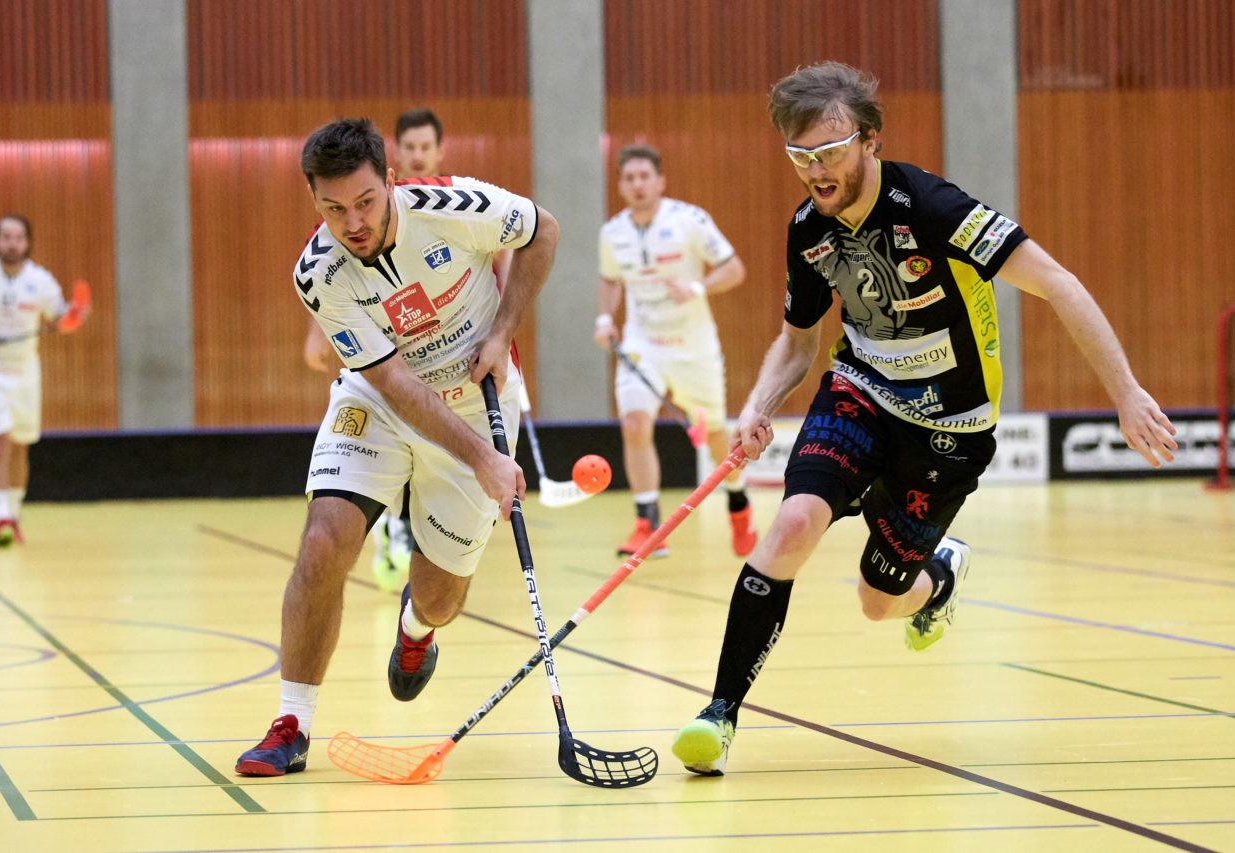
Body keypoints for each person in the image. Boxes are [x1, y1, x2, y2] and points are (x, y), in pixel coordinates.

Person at [670, 61, 1179, 776]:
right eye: (799, 156)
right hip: (860, 393)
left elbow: (1058, 282)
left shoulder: (934, 209)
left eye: (829, 151)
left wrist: (1125, 392)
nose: (815, 170)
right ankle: (717, 715)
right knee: (789, 525)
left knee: (878, 601)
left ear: (870, 141)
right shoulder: (809, 232)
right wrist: (758, 407)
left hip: (952, 429)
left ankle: (935, 578)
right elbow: (799, 341)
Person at [236, 118, 558, 776]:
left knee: (439, 596)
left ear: (389, 180)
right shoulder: (319, 273)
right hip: (378, 401)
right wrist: (486, 460)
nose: (351, 222)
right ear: (313, 201)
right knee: (324, 541)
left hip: (474, 395)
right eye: (332, 208)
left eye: (364, 201)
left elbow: (542, 231)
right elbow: (394, 382)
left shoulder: (450, 207)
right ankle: (290, 722)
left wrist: (503, 331)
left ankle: (417, 627)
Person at [302, 108, 450, 593]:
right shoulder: (356, 207)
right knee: (398, 417)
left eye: (427, 148)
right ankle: (395, 525)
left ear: (438, 152)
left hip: (442, 350)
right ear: (397, 156)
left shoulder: (449, 200)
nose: (418, 156)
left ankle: (415, 530)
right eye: (411, 147)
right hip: (383, 352)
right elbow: (329, 271)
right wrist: (315, 332)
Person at [594, 144, 754, 559]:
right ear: (621, 185)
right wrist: (604, 319)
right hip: (641, 343)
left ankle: (738, 503)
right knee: (633, 423)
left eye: (645, 176)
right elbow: (611, 280)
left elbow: (734, 269)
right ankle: (649, 523)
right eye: (629, 178)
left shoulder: (689, 220)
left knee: (715, 435)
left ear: (660, 181)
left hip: (693, 347)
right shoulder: (613, 233)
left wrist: (697, 288)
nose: (638, 184)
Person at [0, 215, 88, 546]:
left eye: (19, 237)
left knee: (20, 446)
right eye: (5, 237)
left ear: (27, 242)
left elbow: (60, 316)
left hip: (25, 370)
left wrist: (75, 314)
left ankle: (14, 511)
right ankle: (1, 518)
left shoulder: (40, 281)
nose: (12, 243)